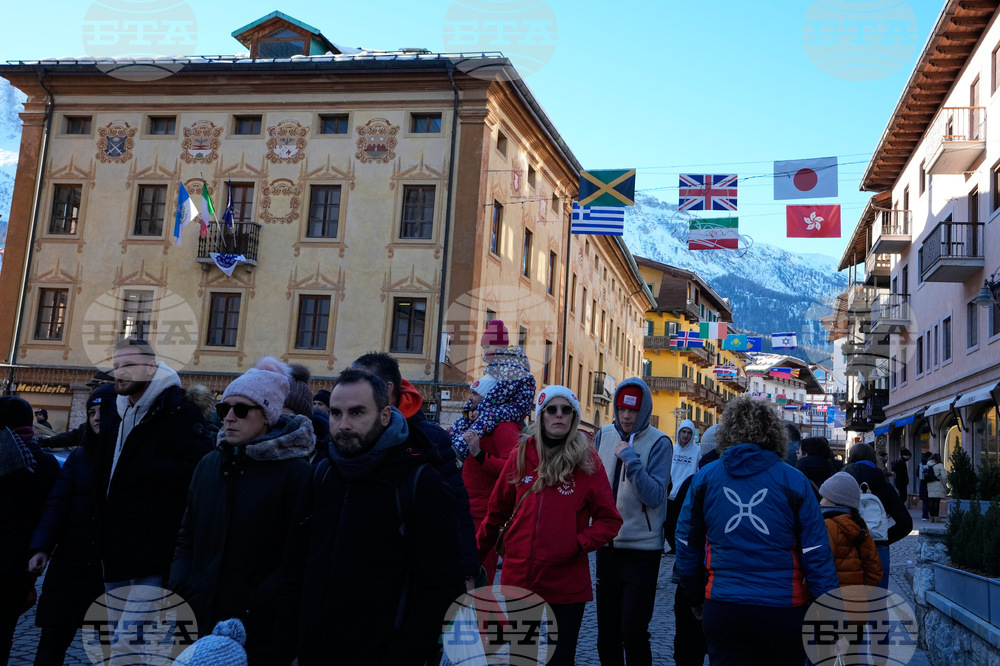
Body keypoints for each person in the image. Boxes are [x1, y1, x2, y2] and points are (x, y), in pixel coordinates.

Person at [279, 369, 465, 664]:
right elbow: (294, 566)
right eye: (336, 413)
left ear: (385, 416)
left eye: (357, 413)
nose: (343, 425)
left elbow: (442, 584)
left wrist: (405, 653)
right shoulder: (323, 474)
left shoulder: (420, 483)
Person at [675, 394, 839, 665]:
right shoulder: (794, 480)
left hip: (723, 605)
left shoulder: (705, 478)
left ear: (727, 431)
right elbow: (816, 551)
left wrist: (694, 594)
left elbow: (685, 542)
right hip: (782, 610)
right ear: (774, 434)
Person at [170, 358, 314, 664]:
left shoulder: (294, 472)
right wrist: (183, 586)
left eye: (242, 409)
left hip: (258, 627)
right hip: (201, 615)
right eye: (224, 409)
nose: (229, 417)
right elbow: (187, 537)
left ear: (267, 416)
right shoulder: (209, 465)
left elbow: (298, 555)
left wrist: (257, 601)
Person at [477, 386, 622, 666]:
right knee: (523, 657)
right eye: (551, 410)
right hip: (520, 578)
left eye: (566, 410)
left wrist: (577, 543)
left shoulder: (588, 462)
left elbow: (610, 520)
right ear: (541, 416)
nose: (559, 415)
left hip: (566, 584)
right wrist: (473, 560)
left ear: (574, 418)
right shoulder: (520, 455)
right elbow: (495, 514)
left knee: (560, 659)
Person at [94, 338, 212, 619]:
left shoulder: (178, 411)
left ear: (151, 368)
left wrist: (144, 467)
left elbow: (198, 469)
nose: (120, 372)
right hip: (114, 548)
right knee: (117, 642)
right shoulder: (116, 412)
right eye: (116, 366)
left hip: (154, 553)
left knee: (135, 644)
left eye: (129, 365)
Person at [352, 352, 480, 585]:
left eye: (360, 383)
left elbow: (457, 506)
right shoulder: (346, 434)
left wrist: (468, 571)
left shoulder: (429, 439)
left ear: (387, 389)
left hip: (414, 570)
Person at [27, 384, 119, 666]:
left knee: (108, 647)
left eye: (102, 411)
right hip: (69, 563)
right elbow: (57, 504)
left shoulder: (127, 457)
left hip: (109, 569)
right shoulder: (79, 457)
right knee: (52, 640)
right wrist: (41, 547)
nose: (95, 418)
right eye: (91, 412)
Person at [594, 378, 671, 666]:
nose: (627, 416)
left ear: (645, 411)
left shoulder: (660, 443)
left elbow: (654, 496)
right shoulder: (602, 435)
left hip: (643, 550)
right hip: (607, 547)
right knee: (607, 634)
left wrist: (631, 459)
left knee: (633, 631)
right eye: (622, 409)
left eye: (634, 411)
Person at [0, 397, 60, 664]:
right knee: (5, 626)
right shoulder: (46, 462)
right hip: (24, 559)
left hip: (9, 553)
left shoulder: (4, 453)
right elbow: (53, 511)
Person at [459, 374, 520, 586]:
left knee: (480, 584)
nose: (471, 397)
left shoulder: (504, 427)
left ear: (489, 397)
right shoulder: (478, 422)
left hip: (486, 518)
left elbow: (514, 469)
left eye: (476, 393)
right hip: (467, 511)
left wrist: (479, 454)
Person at [451, 320, 536, 461]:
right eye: (484, 347)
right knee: (469, 417)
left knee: (488, 416)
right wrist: (469, 411)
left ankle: (462, 446)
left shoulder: (513, 364)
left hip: (516, 406)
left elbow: (501, 392)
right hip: (505, 403)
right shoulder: (497, 366)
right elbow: (483, 391)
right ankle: (451, 437)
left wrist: (480, 410)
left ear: (500, 345)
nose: (485, 351)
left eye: (488, 346)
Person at [671, 424, 719, 666]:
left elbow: (674, 528)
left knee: (688, 649)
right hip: (722, 580)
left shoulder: (694, 481)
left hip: (690, 577)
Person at [843, 443, 913, 587]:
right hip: (877, 547)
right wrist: (884, 537)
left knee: (846, 602)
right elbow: (905, 523)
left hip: (846, 546)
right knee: (877, 602)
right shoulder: (884, 485)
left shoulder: (840, 483)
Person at [818, 472, 883, 587]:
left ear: (834, 500)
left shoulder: (827, 526)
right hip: (857, 600)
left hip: (831, 599)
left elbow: (819, 567)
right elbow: (875, 572)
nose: (820, 501)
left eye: (824, 496)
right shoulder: (860, 526)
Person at [664, 418, 697, 554]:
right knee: (666, 524)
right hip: (669, 493)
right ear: (679, 432)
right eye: (683, 431)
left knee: (681, 525)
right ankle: (674, 547)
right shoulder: (671, 448)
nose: (685, 435)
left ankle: (679, 548)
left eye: (689, 433)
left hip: (685, 495)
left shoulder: (697, 452)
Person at [925, 453, 947, 523]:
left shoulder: (927, 465)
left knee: (931, 501)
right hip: (938, 484)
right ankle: (936, 517)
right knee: (936, 502)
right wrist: (944, 484)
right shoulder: (940, 465)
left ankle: (931, 517)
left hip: (930, 484)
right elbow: (944, 477)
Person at [919, 451, 931, 520]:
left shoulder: (920, 463)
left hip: (922, 483)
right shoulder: (930, 464)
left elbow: (917, 473)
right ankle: (929, 514)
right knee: (929, 500)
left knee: (924, 501)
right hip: (929, 483)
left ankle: (924, 515)